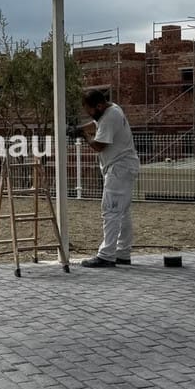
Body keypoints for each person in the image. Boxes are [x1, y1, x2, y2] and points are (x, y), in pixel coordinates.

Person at [77, 89, 140, 267]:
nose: (89, 114)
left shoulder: (110, 117)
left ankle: (106, 255)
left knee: (110, 211)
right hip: (124, 167)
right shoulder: (111, 109)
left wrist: (84, 136)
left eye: (90, 110)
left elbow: (99, 146)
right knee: (122, 212)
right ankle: (122, 252)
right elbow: (96, 124)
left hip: (118, 168)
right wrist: (80, 129)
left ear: (99, 106)